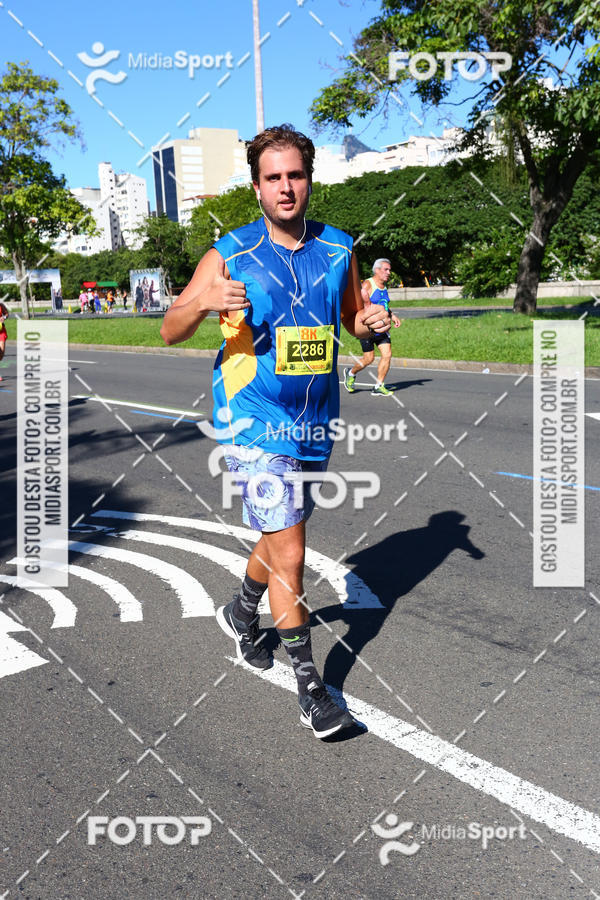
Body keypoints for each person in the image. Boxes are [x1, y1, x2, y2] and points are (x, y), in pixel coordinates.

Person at [161, 124, 391, 739]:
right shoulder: (230, 252)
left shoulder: (339, 248)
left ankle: (242, 610)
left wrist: (369, 321)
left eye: (295, 175)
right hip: (253, 419)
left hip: (315, 418)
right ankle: (312, 692)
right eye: (273, 178)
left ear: (309, 179)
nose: (286, 188)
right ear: (256, 186)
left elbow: (352, 320)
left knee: (277, 532)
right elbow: (169, 329)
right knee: (291, 546)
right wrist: (203, 303)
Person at [343, 258, 402, 396]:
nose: (389, 272)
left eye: (389, 270)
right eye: (386, 269)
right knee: (368, 359)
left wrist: (392, 316)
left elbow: (383, 306)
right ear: (377, 270)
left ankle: (378, 385)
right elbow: (357, 304)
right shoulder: (368, 284)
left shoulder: (384, 287)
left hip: (382, 329)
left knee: (387, 354)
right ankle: (351, 373)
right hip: (367, 328)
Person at [0, 300, 8, 381]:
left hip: (1, 331)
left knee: (1, 353)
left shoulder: (1, 305)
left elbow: (7, 314)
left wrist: (4, 317)